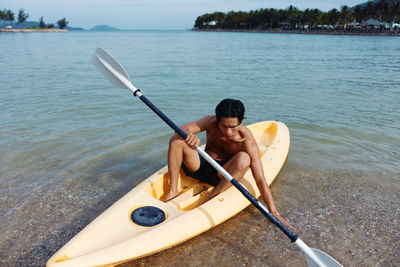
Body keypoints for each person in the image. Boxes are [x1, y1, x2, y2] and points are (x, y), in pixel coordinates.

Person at [164, 98, 289, 227]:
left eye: (233, 127)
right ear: (217, 120)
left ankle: (212, 195)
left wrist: (273, 212)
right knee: (177, 139)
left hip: (222, 175)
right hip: (200, 166)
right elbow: (182, 129)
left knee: (244, 158)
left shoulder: (247, 140)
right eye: (223, 126)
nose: (228, 132)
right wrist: (189, 136)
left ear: (241, 121)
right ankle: (173, 190)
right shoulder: (210, 122)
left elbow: (260, 178)